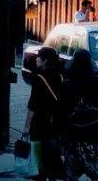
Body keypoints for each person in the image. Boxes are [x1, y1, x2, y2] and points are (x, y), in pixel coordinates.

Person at [62, 49, 98, 181]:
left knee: (71, 167)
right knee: (93, 163)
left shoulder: (67, 84)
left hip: (72, 131)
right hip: (93, 130)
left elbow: (61, 109)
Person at [24, 46, 65, 181]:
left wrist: (26, 126)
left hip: (40, 121)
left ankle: (42, 174)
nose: (36, 60)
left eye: (39, 57)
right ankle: (52, 174)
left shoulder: (39, 78)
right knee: (52, 150)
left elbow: (33, 105)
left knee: (39, 150)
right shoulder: (60, 76)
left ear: (45, 61)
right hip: (55, 120)